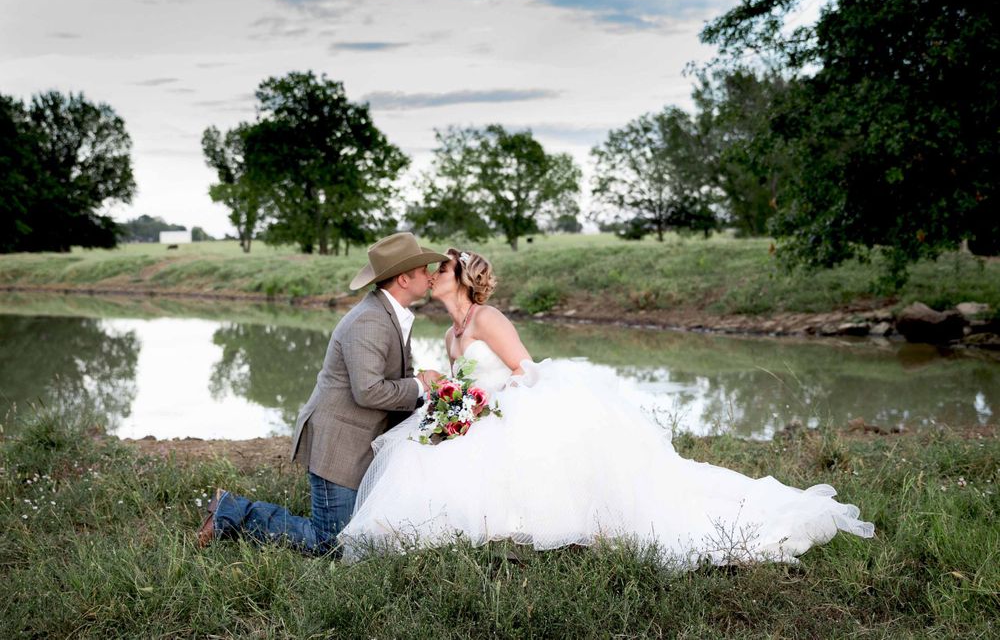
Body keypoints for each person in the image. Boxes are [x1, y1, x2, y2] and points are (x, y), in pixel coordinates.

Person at [338, 248, 875, 568]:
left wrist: (481, 403)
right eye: (431, 271)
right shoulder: (453, 333)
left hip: (508, 404)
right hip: (479, 409)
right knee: (429, 454)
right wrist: (458, 400)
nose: (432, 275)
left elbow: (526, 372)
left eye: (442, 269)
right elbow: (461, 381)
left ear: (462, 278)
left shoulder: (488, 319)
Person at [196, 232, 449, 553]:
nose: (430, 276)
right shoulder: (370, 320)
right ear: (403, 279)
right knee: (329, 542)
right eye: (423, 269)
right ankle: (229, 511)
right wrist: (421, 385)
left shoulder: (392, 315)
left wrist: (428, 399)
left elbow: (395, 380)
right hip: (338, 444)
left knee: (354, 534)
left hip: (358, 440)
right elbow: (370, 392)